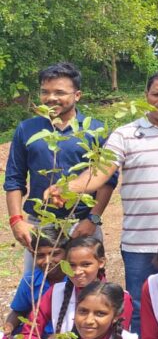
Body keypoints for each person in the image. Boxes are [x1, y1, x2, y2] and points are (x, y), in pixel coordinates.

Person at [46, 71, 158, 336]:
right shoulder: (125, 134)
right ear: (146, 96)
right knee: (139, 307)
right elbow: (100, 172)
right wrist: (68, 187)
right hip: (139, 242)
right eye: (156, 94)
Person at [5, 62, 116, 270]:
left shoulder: (95, 130)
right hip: (40, 223)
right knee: (38, 286)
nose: (51, 98)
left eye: (59, 92)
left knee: (87, 288)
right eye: (45, 92)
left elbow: (107, 181)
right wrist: (16, 220)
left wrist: (93, 218)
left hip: (82, 223)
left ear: (77, 95)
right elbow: (14, 179)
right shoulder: (27, 129)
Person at [3, 228, 67, 338]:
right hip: (34, 337)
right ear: (33, 256)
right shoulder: (30, 280)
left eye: (55, 254)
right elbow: (19, 311)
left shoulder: (76, 280)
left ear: (67, 254)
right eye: (40, 255)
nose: (47, 261)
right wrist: (8, 328)